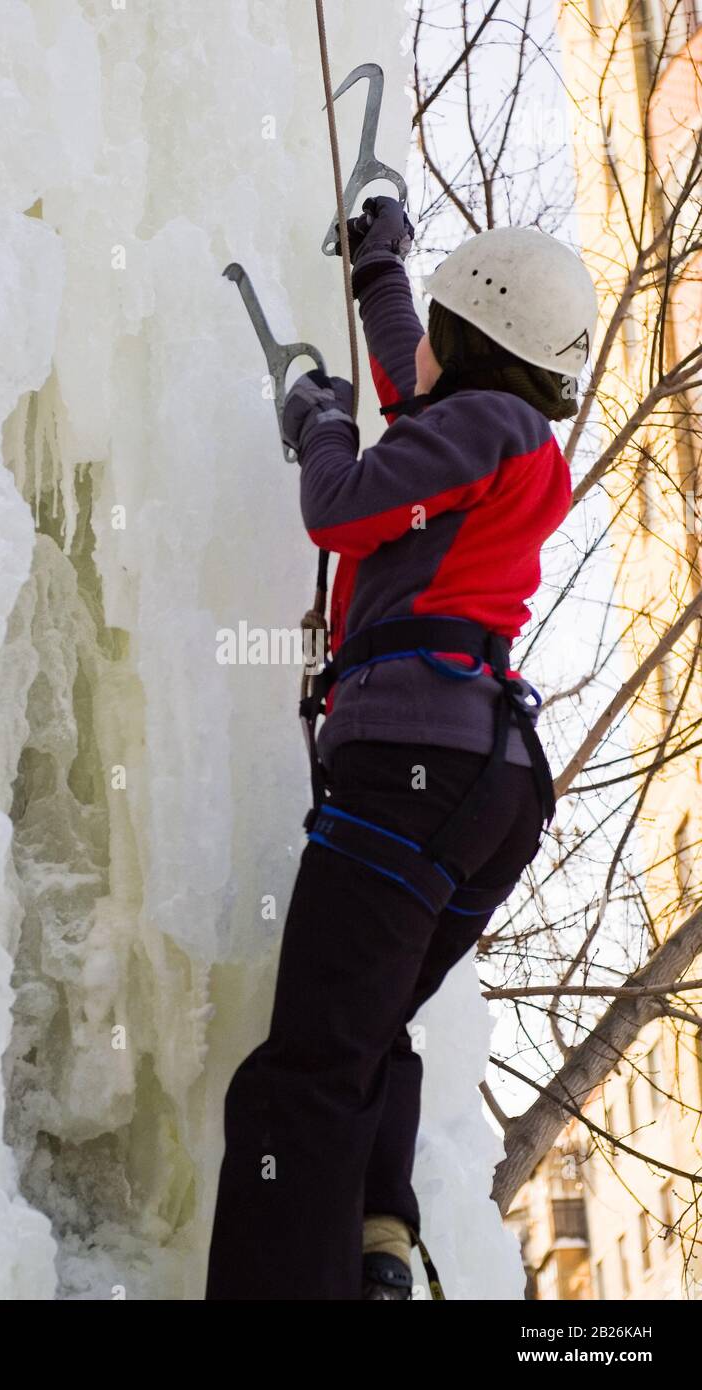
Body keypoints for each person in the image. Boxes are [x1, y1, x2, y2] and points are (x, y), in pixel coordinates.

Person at [205, 197, 598, 1301]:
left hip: (412, 768)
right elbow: (410, 386)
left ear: (471, 339)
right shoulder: (505, 437)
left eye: (434, 322)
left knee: (303, 1077)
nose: (414, 347)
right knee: (366, 1031)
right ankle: (379, 1239)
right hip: (487, 786)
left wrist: (317, 421)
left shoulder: (484, 430)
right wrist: (383, 273)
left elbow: (339, 507)